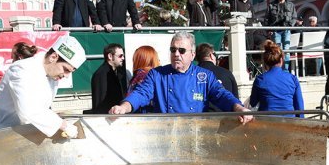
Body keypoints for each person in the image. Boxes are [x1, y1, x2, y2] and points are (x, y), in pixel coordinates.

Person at [109, 31, 252, 122]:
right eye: (173, 50)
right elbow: (140, 94)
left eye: (182, 50)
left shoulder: (205, 76)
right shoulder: (157, 75)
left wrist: (238, 108)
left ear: (192, 54)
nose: (176, 54)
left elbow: (221, 95)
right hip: (164, 135)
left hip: (196, 133)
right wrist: (123, 107)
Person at [0, 35, 86, 137]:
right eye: (66, 69)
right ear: (53, 57)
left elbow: (42, 108)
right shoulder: (21, 69)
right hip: (1, 134)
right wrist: (62, 125)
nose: (67, 76)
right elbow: (28, 111)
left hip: (25, 133)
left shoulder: (52, 76)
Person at [249, 40, 304, 113]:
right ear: (281, 60)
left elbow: (253, 103)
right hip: (289, 121)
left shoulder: (260, 79)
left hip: (267, 121)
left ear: (265, 62)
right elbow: (300, 107)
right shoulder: (292, 79)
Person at [195, 42, 239, 111]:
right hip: (224, 118)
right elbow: (235, 99)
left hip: (199, 118)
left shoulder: (192, 75)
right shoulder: (226, 73)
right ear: (211, 56)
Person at [89, 43, 131, 114]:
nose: (123, 58)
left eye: (123, 56)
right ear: (110, 56)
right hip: (107, 118)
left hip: (115, 116)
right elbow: (99, 102)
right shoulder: (101, 74)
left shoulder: (115, 72)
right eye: (120, 56)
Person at [264, 0, 296, 70]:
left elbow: (294, 17)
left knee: (286, 50)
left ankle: (285, 70)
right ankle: (279, 70)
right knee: (277, 51)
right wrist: (269, 29)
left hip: (286, 30)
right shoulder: (271, 5)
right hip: (275, 30)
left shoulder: (291, 5)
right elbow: (266, 19)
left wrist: (290, 26)